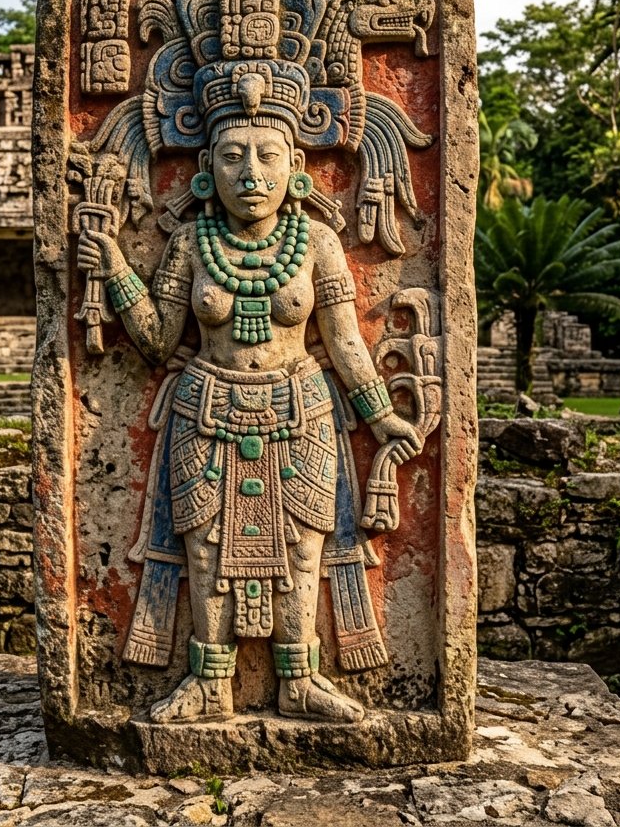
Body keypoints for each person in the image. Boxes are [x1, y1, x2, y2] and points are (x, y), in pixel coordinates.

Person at [77, 61, 420, 723]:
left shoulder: (318, 242)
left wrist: (382, 419)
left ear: (295, 163)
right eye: (233, 157)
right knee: (202, 545)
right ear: (208, 165)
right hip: (206, 408)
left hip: (302, 408)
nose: (251, 175)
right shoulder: (190, 241)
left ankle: (300, 680)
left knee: (304, 544)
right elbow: (154, 340)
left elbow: (346, 342)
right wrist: (117, 265)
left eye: (267, 156)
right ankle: (210, 683)